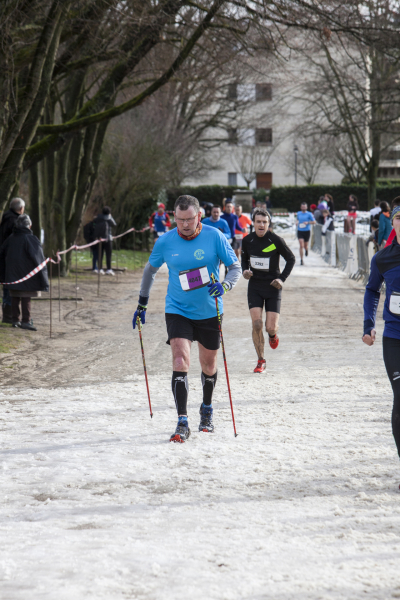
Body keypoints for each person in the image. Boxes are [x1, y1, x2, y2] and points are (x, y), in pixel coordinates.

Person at [133, 195, 241, 443]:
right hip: (177, 309)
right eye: (179, 220)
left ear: (199, 216)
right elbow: (150, 270)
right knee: (180, 359)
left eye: (189, 219)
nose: (183, 225)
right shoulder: (165, 241)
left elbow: (234, 268)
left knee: (208, 365)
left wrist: (224, 286)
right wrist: (142, 303)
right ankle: (182, 421)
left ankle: (206, 407)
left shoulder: (215, 236)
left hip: (209, 310)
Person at [363, 206, 400, 471]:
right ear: (392, 222)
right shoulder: (382, 258)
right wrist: (369, 324)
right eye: (399, 217)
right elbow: (372, 290)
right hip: (394, 337)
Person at [242, 208, 295, 373]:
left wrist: (282, 279)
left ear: (268, 224)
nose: (261, 225)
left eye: (264, 222)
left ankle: (273, 336)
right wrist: (245, 270)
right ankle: (261, 360)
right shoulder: (247, 240)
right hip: (255, 286)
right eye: (258, 221)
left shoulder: (276, 240)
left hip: (273, 286)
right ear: (253, 223)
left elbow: (291, 259)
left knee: (270, 327)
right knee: (257, 324)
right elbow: (244, 259)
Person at [0, 214, 49, 331]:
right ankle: (25, 321)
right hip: (27, 275)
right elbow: (38, 258)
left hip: (12, 274)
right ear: (29, 225)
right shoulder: (30, 239)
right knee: (26, 297)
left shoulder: (10, 238)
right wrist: (43, 277)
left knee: (15, 296)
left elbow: (2, 254)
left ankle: (15, 319)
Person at [0, 197, 25, 324]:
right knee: (10, 287)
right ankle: (9, 316)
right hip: (10, 258)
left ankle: (8, 315)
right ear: (21, 208)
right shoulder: (14, 220)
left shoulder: (6, 217)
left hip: (5, 256)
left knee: (7, 285)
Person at [92, 207, 117, 275]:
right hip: (108, 238)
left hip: (99, 239)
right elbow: (114, 224)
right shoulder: (109, 218)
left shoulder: (98, 218)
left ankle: (100, 269)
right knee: (108, 255)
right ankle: (109, 269)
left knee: (100, 254)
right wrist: (110, 216)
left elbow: (94, 222)